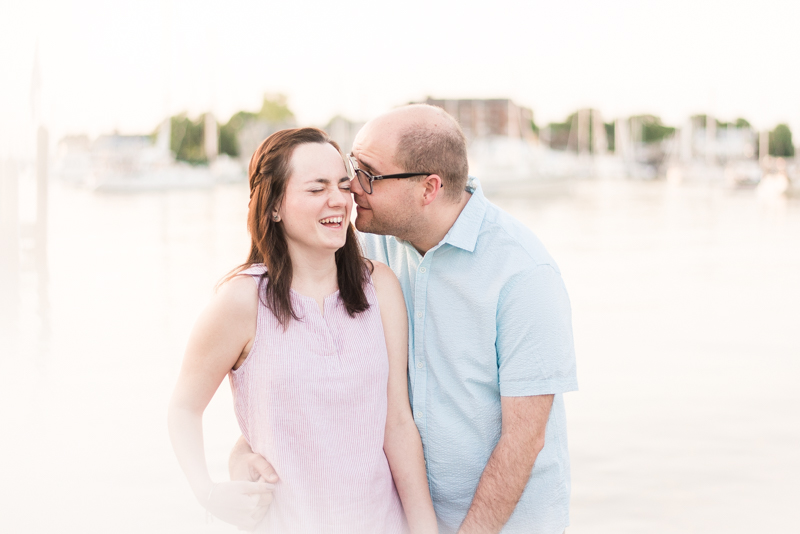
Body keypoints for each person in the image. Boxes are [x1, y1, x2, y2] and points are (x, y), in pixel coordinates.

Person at [231, 105, 578, 534]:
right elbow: (309, 381)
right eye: (352, 169)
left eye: (368, 175)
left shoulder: (523, 275)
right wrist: (242, 452)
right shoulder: (370, 257)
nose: (351, 188)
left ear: (429, 188)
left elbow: (524, 441)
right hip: (406, 521)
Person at [168, 127, 438, 533]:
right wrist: (207, 491)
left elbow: (397, 424)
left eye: (343, 185)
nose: (338, 200)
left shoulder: (380, 286)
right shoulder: (240, 301)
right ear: (274, 205)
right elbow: (184, 408)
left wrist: (426, 529)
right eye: (317, 189)